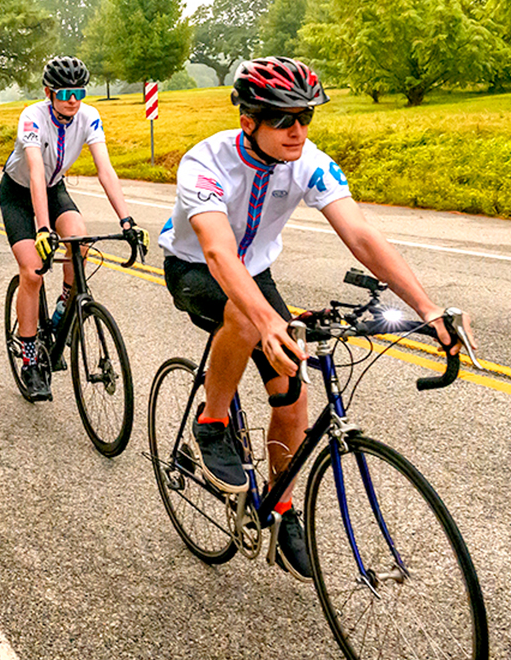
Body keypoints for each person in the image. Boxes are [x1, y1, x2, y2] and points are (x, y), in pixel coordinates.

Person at [158, 56, 475, 581]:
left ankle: (281, 511)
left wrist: (427, 307)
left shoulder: (310, 162)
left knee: (294, 389)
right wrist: (268, 322)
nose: (297, 130)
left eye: (305, 117)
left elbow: (363, 236)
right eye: (283, 119)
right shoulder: (203, 162)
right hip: (195, 269)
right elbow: (217, 253)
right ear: (249, 120)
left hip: (255, 273)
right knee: (244, 314)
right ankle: (211, 422)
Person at [0, 56, 148, 402]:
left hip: (55, 190)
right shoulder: (32, 117)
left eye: (79, 91)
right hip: (19, 195)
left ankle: (62, 310)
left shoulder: (89, 116)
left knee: (80, 245)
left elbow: (105, 169)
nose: (72, 99)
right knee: (33, 273)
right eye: (65, 92)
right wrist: (42, 228)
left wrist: (126, 220)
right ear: (49, 91)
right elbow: (35, 172)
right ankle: (31, 356)